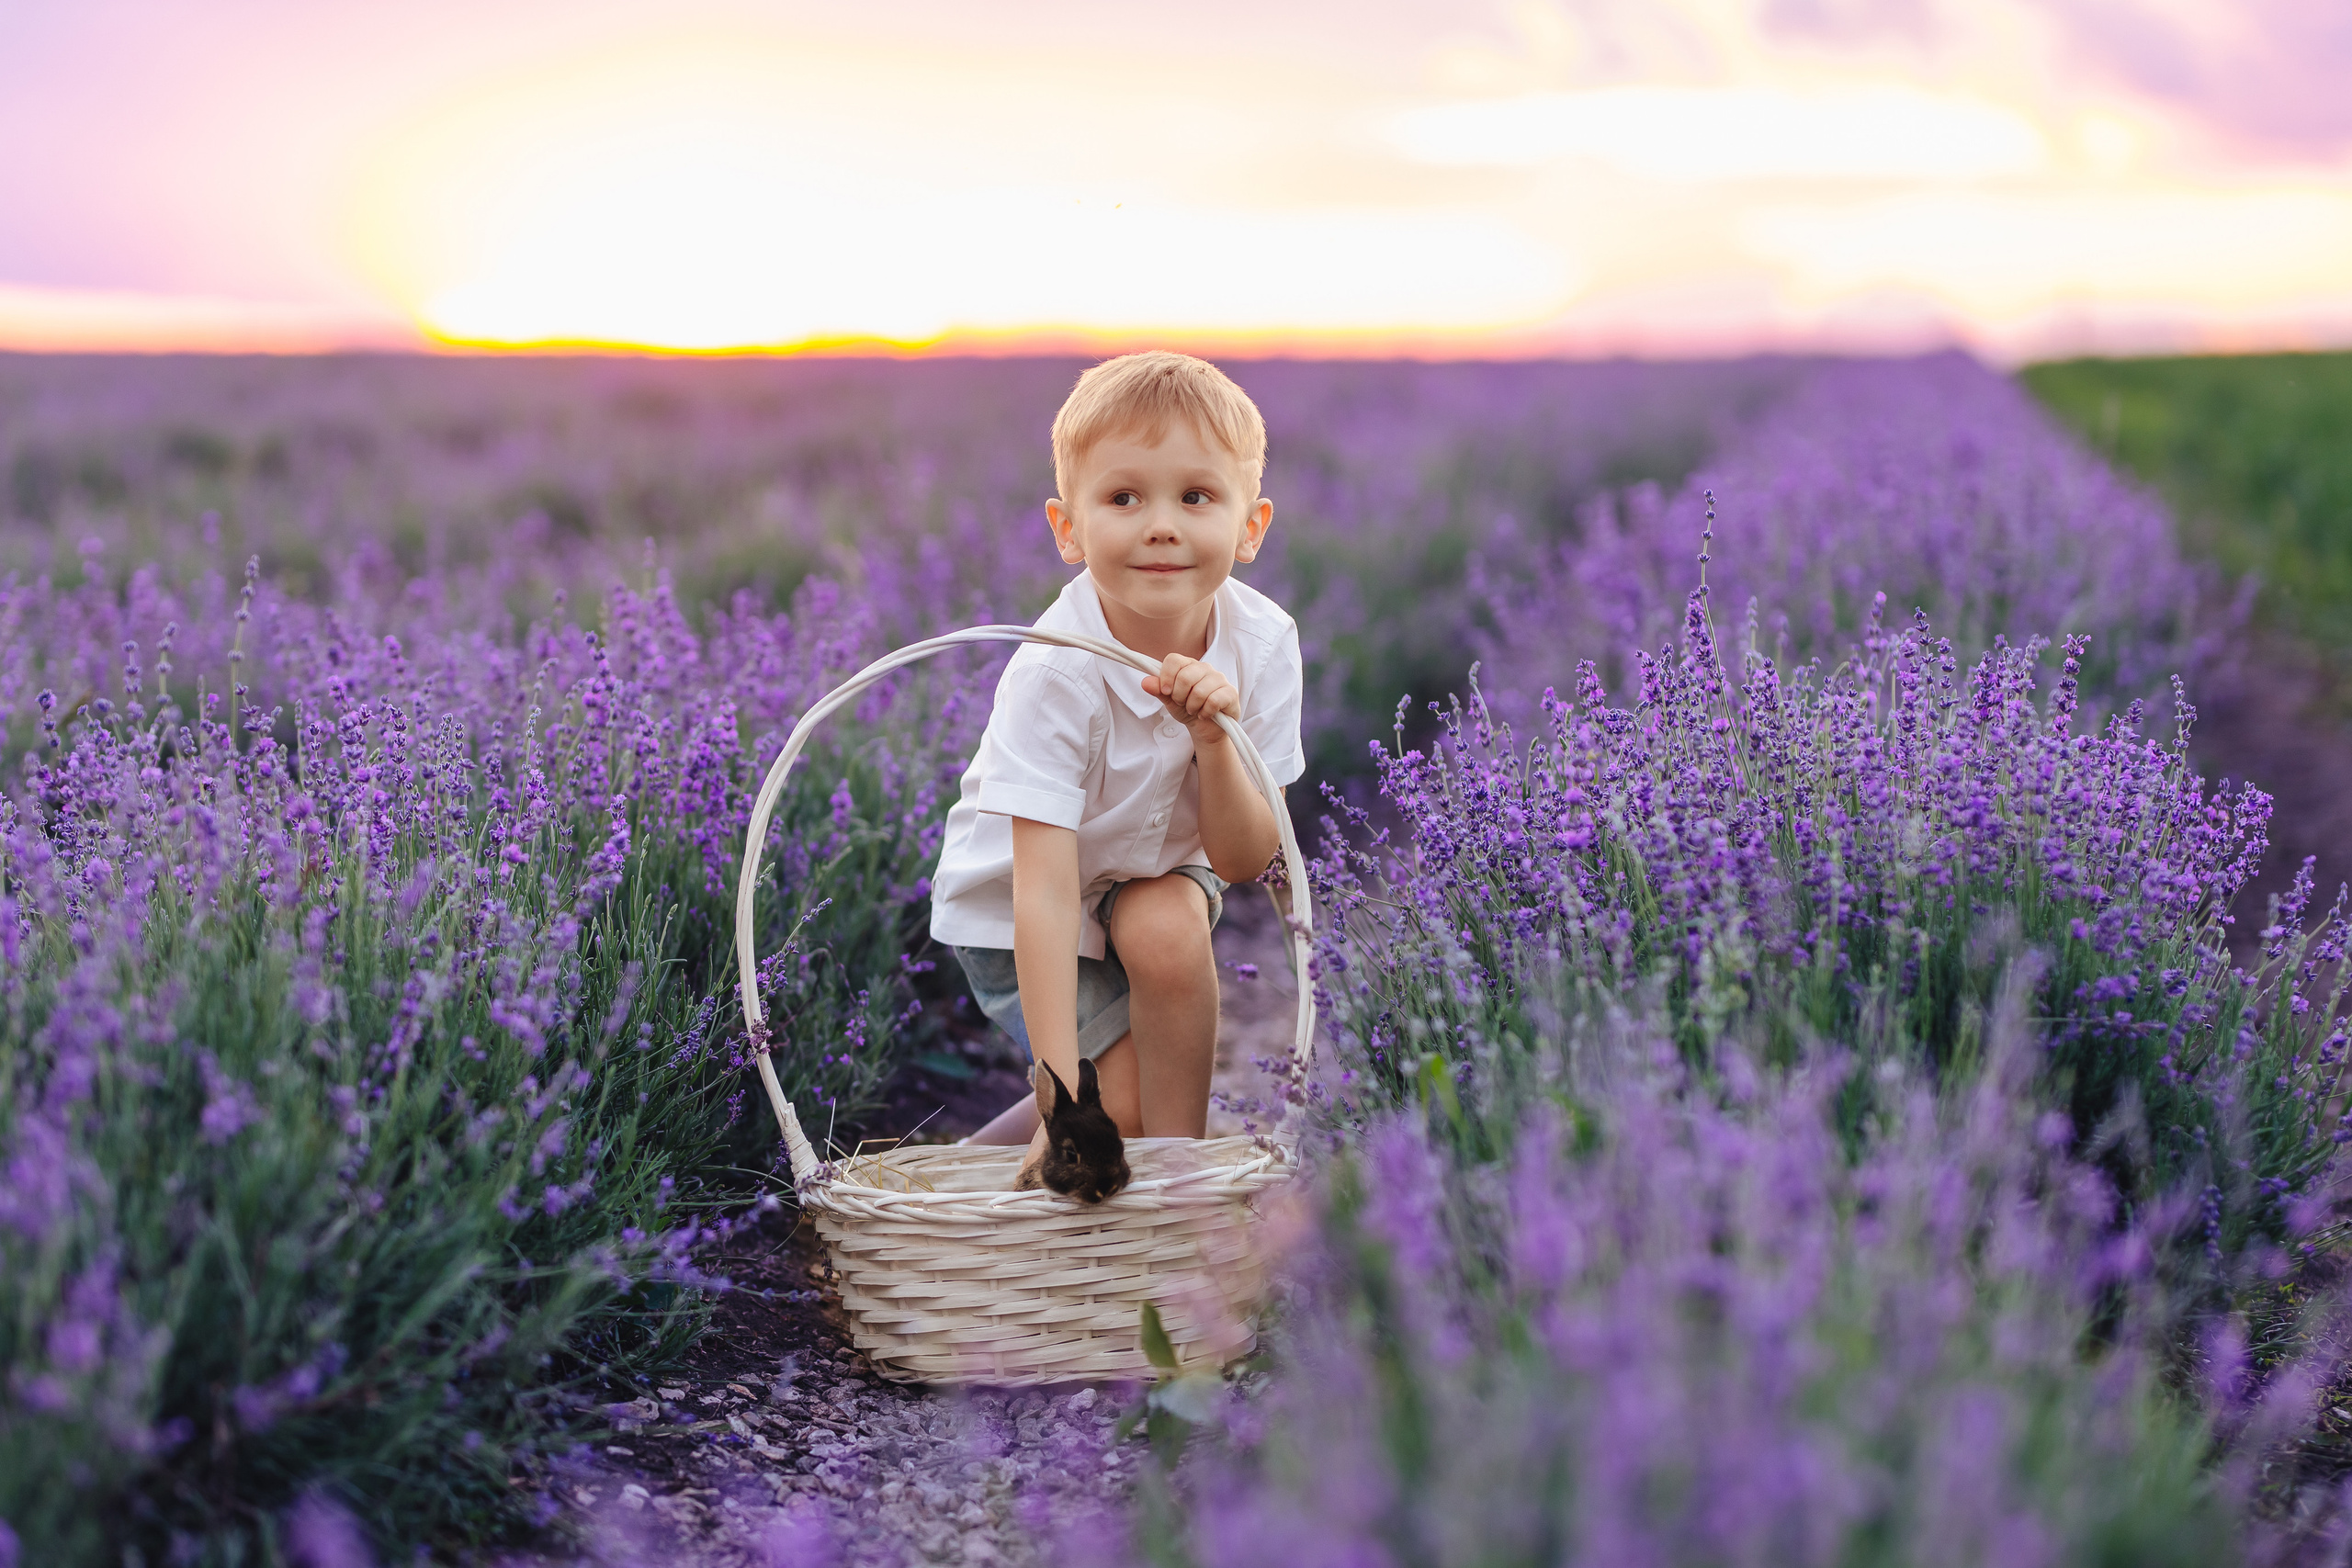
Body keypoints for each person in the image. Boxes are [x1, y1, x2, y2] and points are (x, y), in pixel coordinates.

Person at [927, 351, 1304, 1190]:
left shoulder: (1265, 643)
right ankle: (966, 1183)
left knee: (1167, 924)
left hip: (1152, 876)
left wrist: (1214, 739)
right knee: (1105, 1114)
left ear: (1250, 526)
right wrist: (1061, 1090)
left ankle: (1180, 1192)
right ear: (1069, 528)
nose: (1161, 524)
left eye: (1196, 496)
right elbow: (1047, 894)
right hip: (1024, 907)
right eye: (1124, 497)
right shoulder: (1057, 673)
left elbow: (1244, 861)